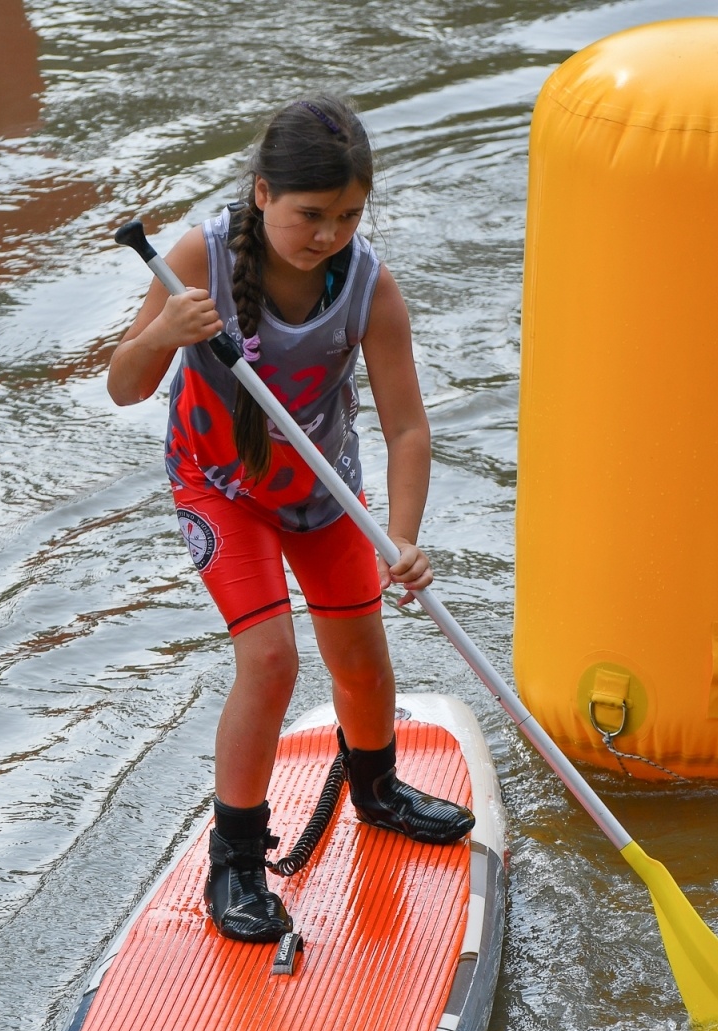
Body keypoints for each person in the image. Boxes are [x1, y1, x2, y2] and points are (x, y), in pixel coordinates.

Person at [107, 96, 474, 943]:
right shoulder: (195, 256)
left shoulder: (370, 285)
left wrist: (406, 537)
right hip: (222, 489)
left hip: (322, 493)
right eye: (312, 215)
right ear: (264, 195)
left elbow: (407, 425)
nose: (329, 235)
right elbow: (125, 387)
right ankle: (235, 860)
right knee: (269, 662)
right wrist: (164, 328)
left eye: (349, 216)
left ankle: (376, 790)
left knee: (361, 656)